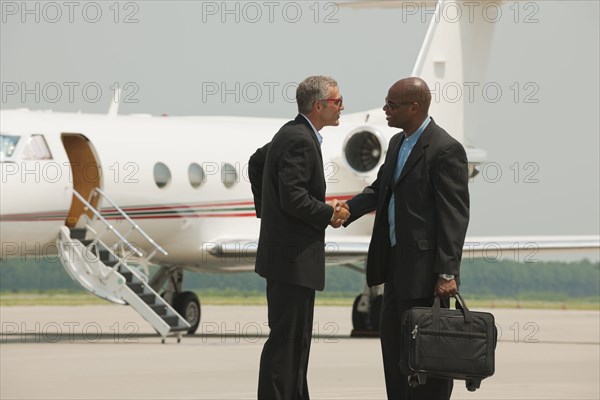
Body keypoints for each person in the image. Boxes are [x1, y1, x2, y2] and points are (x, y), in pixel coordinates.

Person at [342, 77, 470, 400]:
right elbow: (380, 189)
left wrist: (447, 272)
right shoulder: (398, 144)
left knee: (430, 357)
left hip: (428, 276)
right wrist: (346, 211)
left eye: (392, 105)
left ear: (414, 108)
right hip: (395, 271)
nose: (385, 110)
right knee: (396, 354)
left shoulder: (445, 149)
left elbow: (454, 217)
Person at [249, 75, 349, 400]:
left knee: (296, 342)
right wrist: (328, 214)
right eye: (337, 101)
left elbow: (257, 163)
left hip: (291, 259)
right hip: (291, 260)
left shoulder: (294, 133)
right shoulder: (299, 139)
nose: (342, 107)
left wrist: (268, 212)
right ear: (318, 106)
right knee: (286, 343)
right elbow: (293, 197)